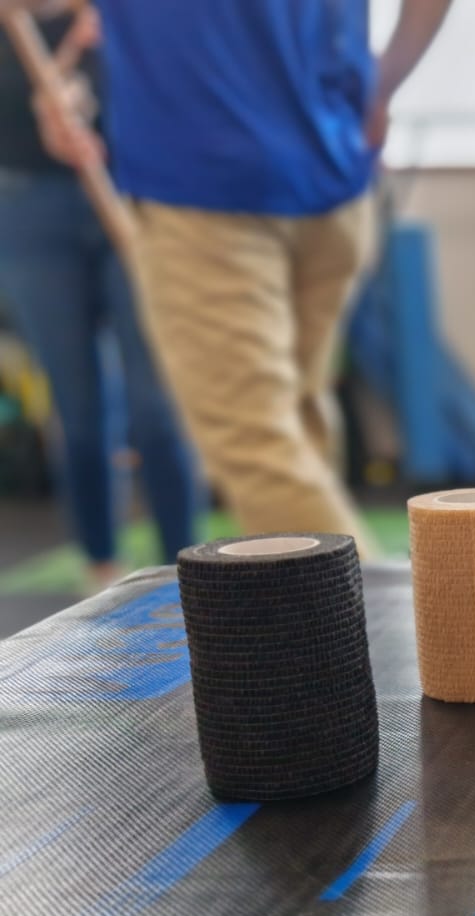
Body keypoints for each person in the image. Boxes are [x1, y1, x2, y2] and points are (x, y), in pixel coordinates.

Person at [35, 0, 456, 556]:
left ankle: (365, 609)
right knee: (296, 424)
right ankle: (315, 607)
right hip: (331, 169)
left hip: (204, 186)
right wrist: (382, 84)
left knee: (258, 446)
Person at [0, 2, 197, 586]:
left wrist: (86, 94)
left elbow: (173, 96)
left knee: (156, 408)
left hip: (130, 195)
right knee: (79, 411)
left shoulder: (120, 15)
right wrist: (50, 105)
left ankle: (187, 567)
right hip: (28, 208)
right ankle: (101, 568)